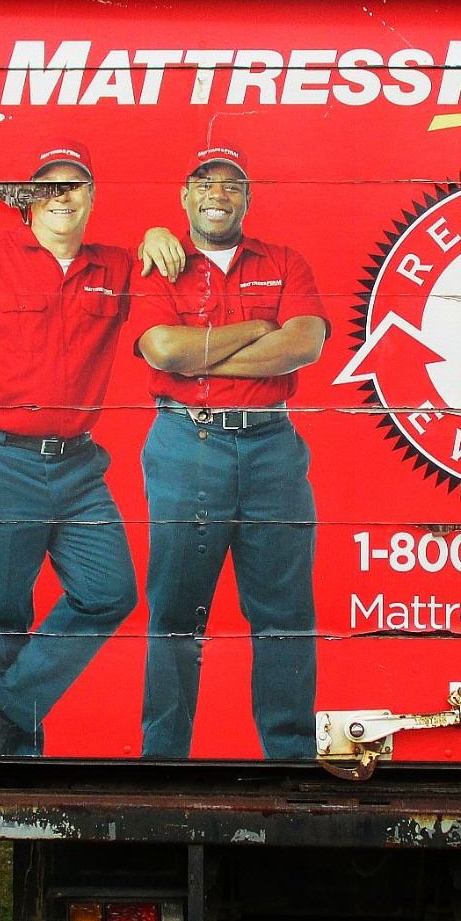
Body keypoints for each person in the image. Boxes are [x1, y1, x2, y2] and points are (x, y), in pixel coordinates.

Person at [0, 141, 180, 757]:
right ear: (28, 199)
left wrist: (157, 231)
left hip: (78, 469)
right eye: (48, 186)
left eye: (74, 184)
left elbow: (166, 272)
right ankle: (7, 762)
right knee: (5, 615)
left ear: (92, 196)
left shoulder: (115, 267)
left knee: (109, 593)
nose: (61, 195)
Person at [133, 144, 329, 759]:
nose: (217, 194)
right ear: (184, 195)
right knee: (174, 611)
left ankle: (290, 757)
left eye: (231, 185)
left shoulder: (285, 262)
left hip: (273, 449)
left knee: (285, 613)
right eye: (204, 182)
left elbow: (304, 345)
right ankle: (163, 761)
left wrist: (201, 357)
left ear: (247, 198)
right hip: (185, 446)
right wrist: (256, 330)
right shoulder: (159, 264)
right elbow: (164, 350)